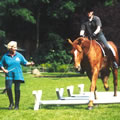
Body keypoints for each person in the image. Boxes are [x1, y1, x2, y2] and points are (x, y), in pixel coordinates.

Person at [0, 41, 34, 110]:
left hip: (18, 74)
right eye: (14, 47)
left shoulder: (19, 55)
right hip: (9, 74)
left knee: (17, 89)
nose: (16, 48)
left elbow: (24, 62)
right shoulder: (5, 56)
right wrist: (4, 70)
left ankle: (16, 105)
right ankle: (11, 103)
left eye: (16, 47)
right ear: (10, 48)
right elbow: (1, 64)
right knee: (8, 88)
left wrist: (30, 63)